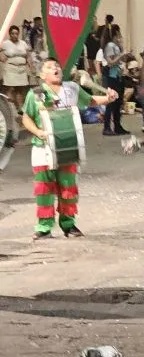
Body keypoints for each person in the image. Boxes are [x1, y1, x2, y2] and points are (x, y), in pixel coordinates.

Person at [22, 58, 118, 239]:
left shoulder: (71, 89)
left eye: (57, 65)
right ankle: (44, 227)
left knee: (68, 188)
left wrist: (108, 98)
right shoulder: (35, 93)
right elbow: (26, 118)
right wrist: (38, 132)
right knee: (44, 189)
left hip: (68, 146)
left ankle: (69, 224)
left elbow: (90, 101)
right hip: (42, 149)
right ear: (42, 76)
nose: (55, 68)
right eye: (50, 67)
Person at [101, 24, 128, 136]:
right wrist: (122, 55)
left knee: (118, 103)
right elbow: (111, 62)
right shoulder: (110, 46)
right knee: (111, 102)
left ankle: (117, 125)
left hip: (118, 76)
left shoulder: (115, 45)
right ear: (116, 33)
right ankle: (107, 127)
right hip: (112, 77)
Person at [1, 25, 33, 111]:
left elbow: (28, 55)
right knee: (10, 89)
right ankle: (10, 108)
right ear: (9, 34)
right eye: (13, 33)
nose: (15, 35)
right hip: (11, 69)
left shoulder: (23, 43)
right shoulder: (5, 43)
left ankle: (20, 108)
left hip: (21, 70)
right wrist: (1, 58)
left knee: (20, 90)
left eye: (16, 33)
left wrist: (31, 66)